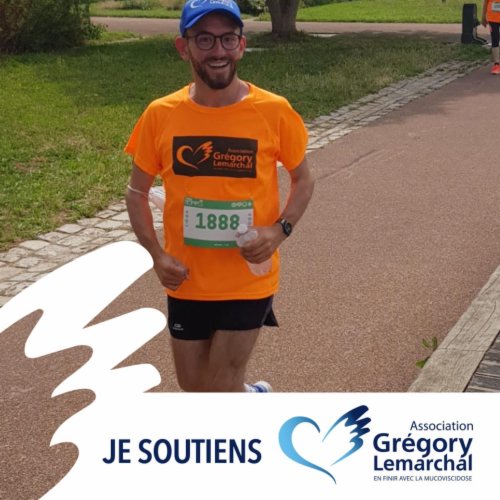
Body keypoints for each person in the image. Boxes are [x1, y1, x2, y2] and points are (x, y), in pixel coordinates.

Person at [124, 0, 314, 393]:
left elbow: (303, 179)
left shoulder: (273, 111)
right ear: (184, 47)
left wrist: (278, 231)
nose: (218, 51)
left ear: (241, 45)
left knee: (221, 388)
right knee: (194, 388)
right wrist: (157, 256)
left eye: (228, 38)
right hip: (186, 278)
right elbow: (136, 191)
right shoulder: (161, 114)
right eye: (205, 39)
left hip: (247, 278)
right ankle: (254, 396)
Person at [481, 0, 500, 74]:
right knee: (495, 38)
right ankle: (496, 64)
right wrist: (483, 16)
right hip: (493, 18)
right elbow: (485, 2)